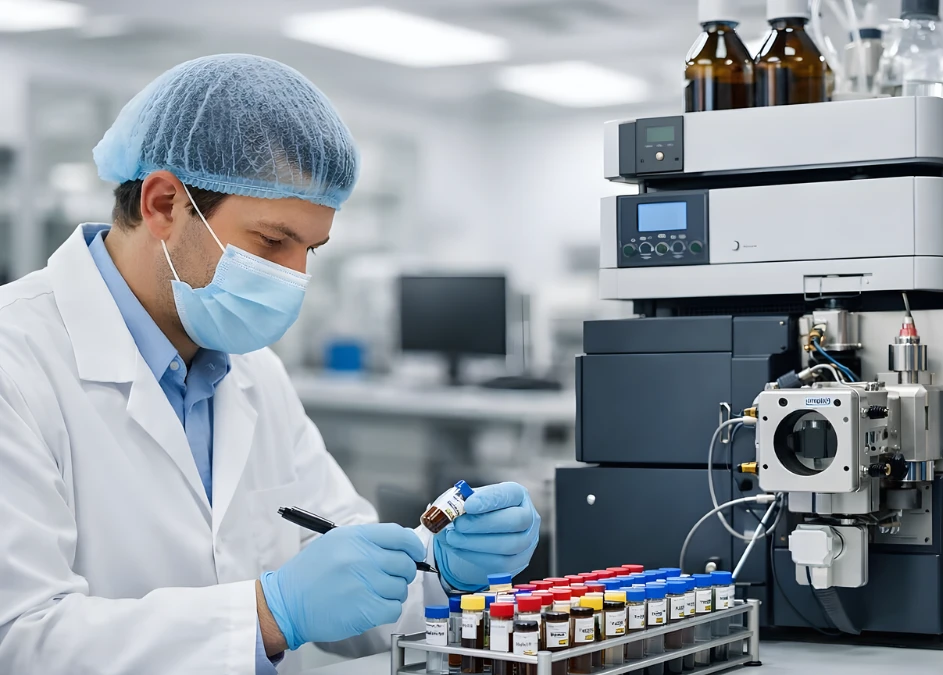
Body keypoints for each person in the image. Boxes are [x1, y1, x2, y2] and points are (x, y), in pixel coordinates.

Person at [0, 54, 540, 674]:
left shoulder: (254, 373)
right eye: (272, 241)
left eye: (309, 249)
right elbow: (20, 639)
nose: (294, 277)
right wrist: (268, 615)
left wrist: (435, 570)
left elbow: (343, 562)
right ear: (164, 204)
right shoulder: (15, 361)